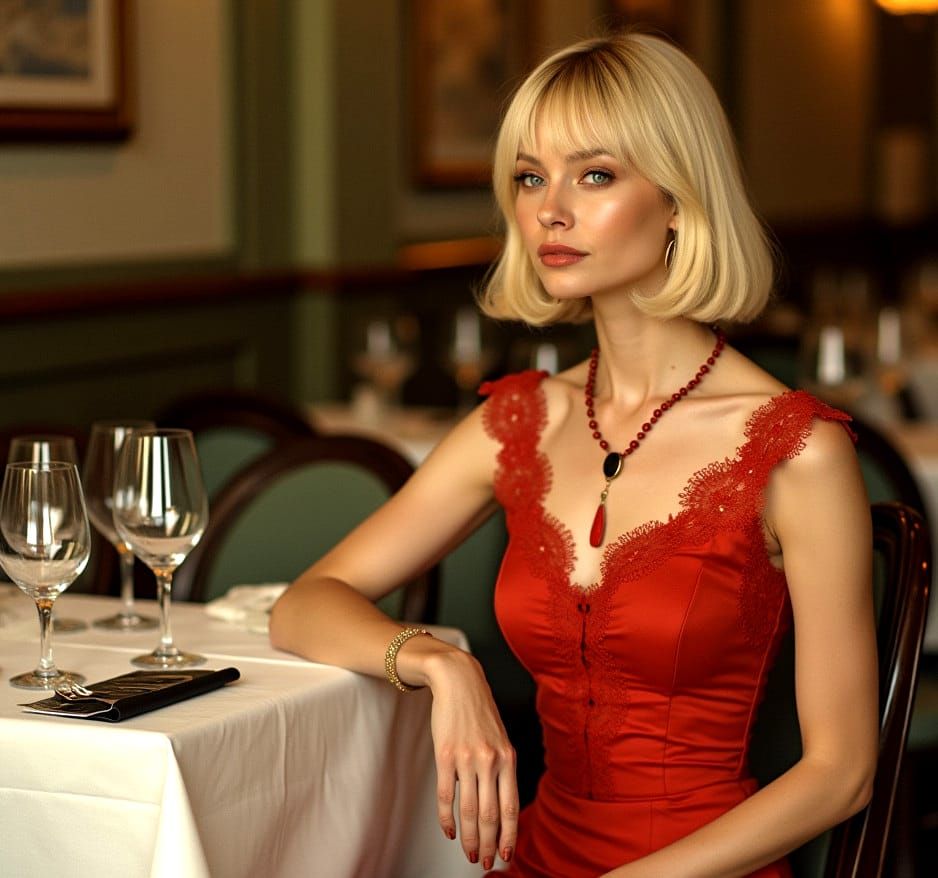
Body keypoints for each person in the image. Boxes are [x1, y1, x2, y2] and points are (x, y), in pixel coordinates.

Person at [269, 31, 877, 878]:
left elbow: (840, 775)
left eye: (595, 174)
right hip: (538, 855)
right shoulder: (518, 421)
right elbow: (304, 602)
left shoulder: (794, 449)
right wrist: (442, 666)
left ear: (679, 198)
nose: (550, 207)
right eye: (529, 176)